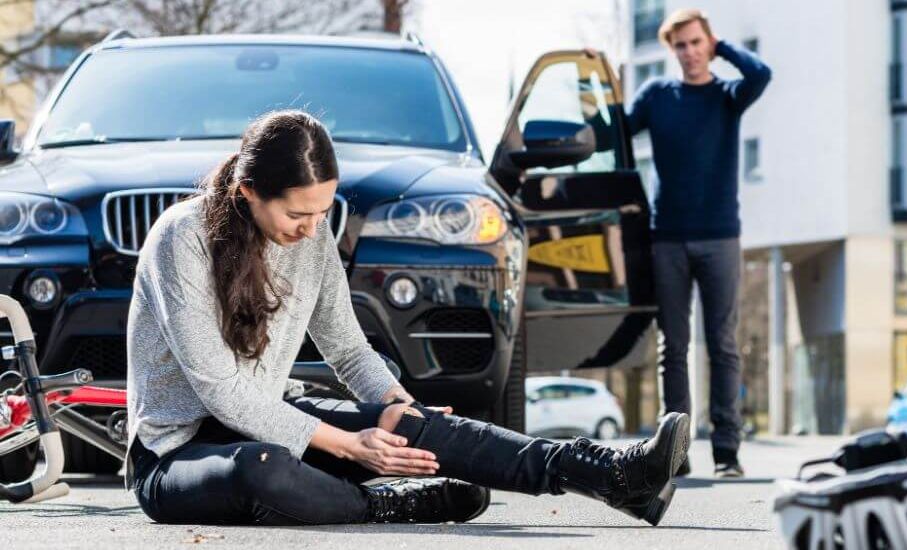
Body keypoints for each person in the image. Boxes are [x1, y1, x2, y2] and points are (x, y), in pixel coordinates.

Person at [124, 110, 691, 526]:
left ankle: (611, 475)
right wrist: (350, 446)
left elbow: (347, 349)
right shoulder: (183, 237)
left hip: (270, 415)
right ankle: (385, 503)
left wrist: (402, 407)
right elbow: (220, 392)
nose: (311, 226)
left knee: (403, 422)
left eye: (323, 210)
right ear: (249, 191)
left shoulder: (312, 233)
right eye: (298, 213)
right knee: (260, 468)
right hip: (176, 455)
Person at [626, 9, 771, 478]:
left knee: (724, 345)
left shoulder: (729, 96)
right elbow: (617, 129)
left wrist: (722, 44)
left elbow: (761, 73)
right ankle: (676, 450)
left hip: (720, 237)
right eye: (681, 46)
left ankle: (727, 451)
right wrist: (597, 74)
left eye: (696, 43)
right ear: (673, 52)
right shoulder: (657, 96)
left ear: (708, 43)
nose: (689, 53)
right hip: (667, 236)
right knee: (674, 347)